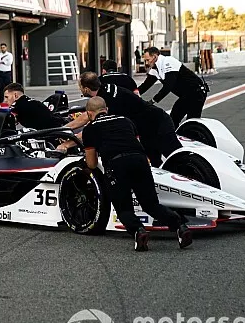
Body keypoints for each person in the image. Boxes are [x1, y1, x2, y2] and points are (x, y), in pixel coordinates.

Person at [81, 96, 192, 252]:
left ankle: (138, 231)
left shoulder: (90, 129)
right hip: (140, 160)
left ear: (89, 113)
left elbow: (91, 164)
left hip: (117, 164)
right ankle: (180, 226)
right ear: (106, 109)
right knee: (151, 204)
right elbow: (137, 141)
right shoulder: (126, 120)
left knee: (124, 208)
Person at [67, 72, 182, 167]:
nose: (80, 89)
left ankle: (195, 182)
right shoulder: (103, 90)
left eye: (80, 87)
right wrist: (65, 129)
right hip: (145, 128)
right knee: (153, 163)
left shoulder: (106, 100)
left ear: (86, 89)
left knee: (177, 157)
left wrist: (67, 142)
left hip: (158, 123)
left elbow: (90, 129)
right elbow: (87, 116)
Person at [139, 47, 209, 127]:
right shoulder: (155, 69)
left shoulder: (168, 61)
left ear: (155, 57)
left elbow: (168, 86)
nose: (147, 63)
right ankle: (173, 138)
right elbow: (145, 86)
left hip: (197, 92)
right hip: (185, 96)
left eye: (148, 60)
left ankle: (194, 138)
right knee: (173, 120)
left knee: (191, 123)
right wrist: (131, 93)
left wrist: (152, 101)